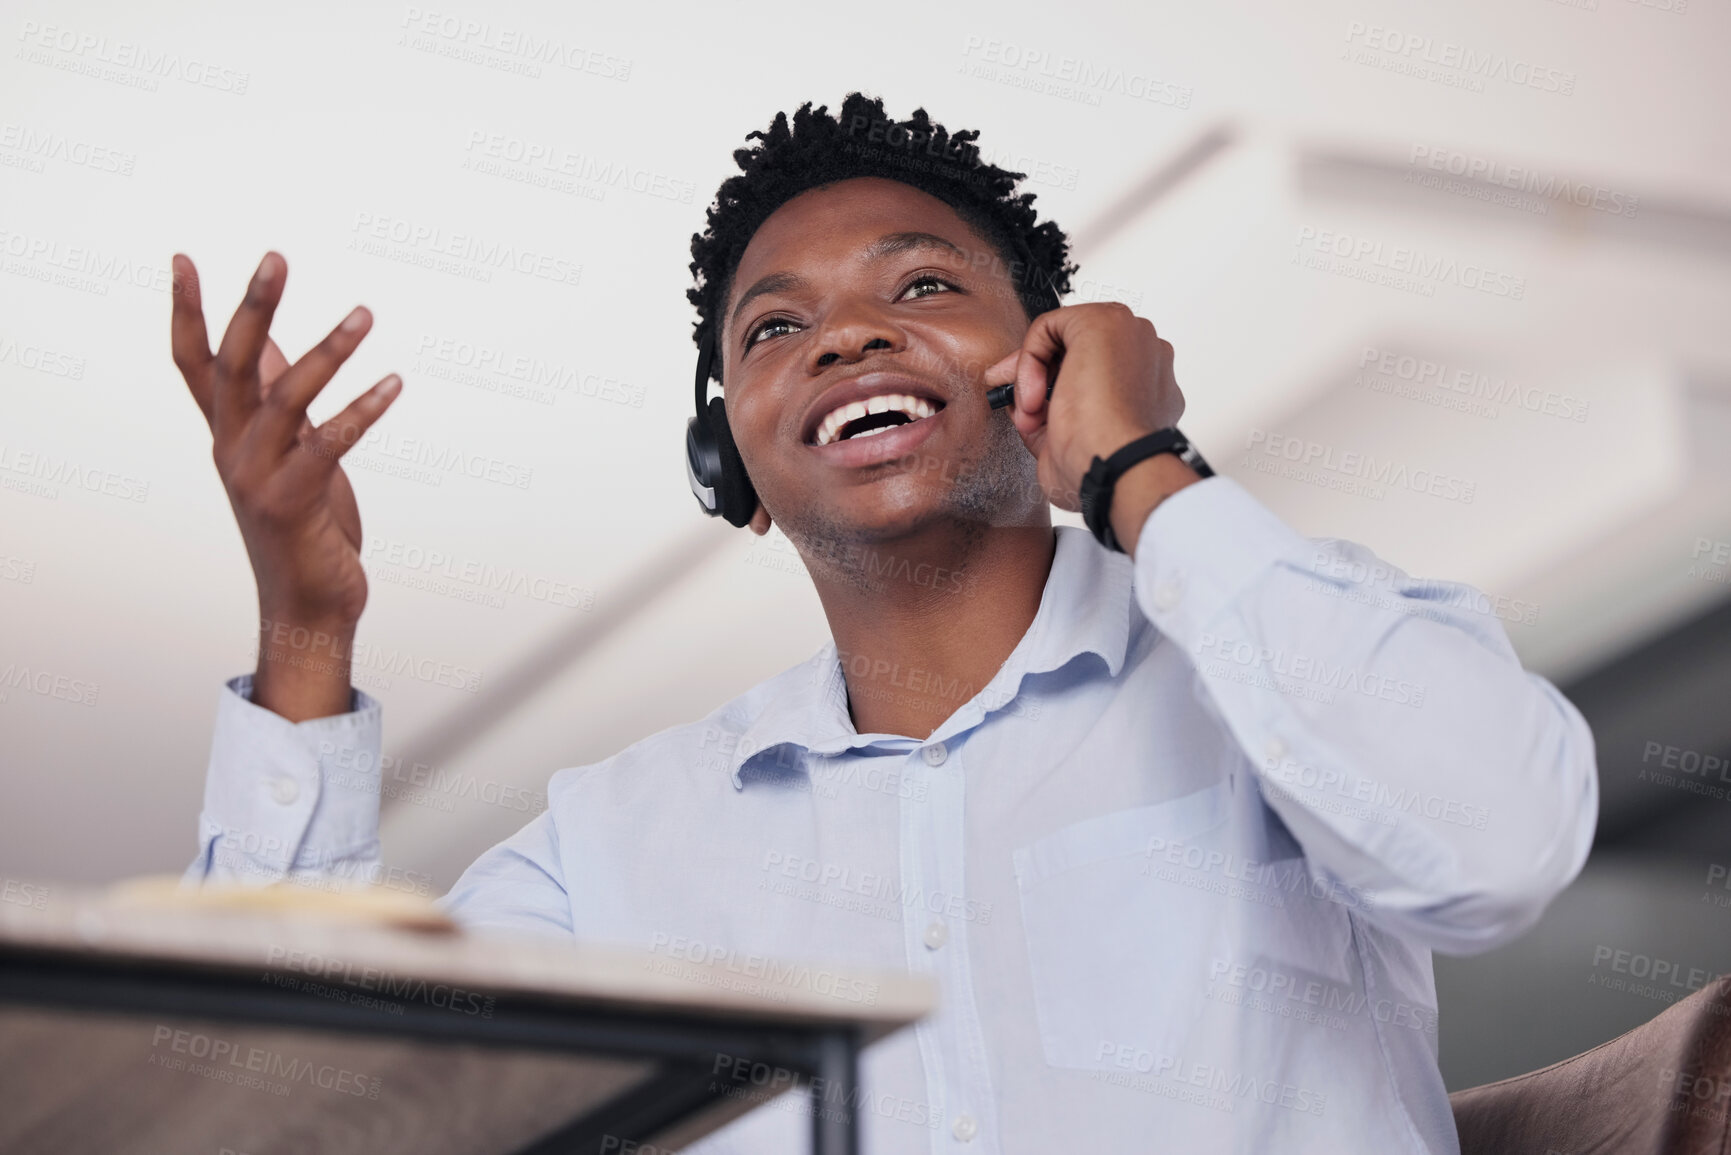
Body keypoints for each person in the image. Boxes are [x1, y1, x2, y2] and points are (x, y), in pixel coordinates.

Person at [172, 92, 1597, 1153]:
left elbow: (1496, 852)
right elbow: (309, 1112)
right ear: (726, 468)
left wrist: (1143, 469)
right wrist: (307, 627)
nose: (850, 336)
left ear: (1050, 358)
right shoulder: (618, 844)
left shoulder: (1278, 657)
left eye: (922, 287)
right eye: (774, 329)